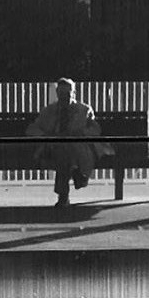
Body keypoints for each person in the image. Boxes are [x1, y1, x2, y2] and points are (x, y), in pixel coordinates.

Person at [26, 77, 107, 208]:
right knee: (63, 150)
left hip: (75, 148)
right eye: (61, 94)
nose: (64, 97)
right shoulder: (49, 111)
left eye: (67, 94)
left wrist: (81, 133)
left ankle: (63, 196)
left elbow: (95, 129)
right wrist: (45, 136)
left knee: (64, 152)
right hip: (52, 148)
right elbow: (33, 128)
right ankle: (76, 172)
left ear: (73, 93)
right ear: (57, 94)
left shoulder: (84, 110)